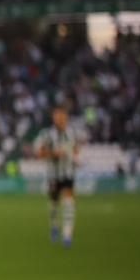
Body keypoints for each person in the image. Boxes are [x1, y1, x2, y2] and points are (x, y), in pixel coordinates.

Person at [36, 106, 80, 247]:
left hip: (68, 172)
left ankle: (67, 235)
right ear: (53, 118)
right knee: (54, 203)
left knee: (69, 201)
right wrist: (54, 153)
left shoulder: (72, 132)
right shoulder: (47, 134)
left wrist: (74, 156)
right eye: (57, 117)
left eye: (62, 116)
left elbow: (76, 149)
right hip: (53, 174)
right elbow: (39, 153)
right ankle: (54, 225)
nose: (60, 119)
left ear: (66, 117)